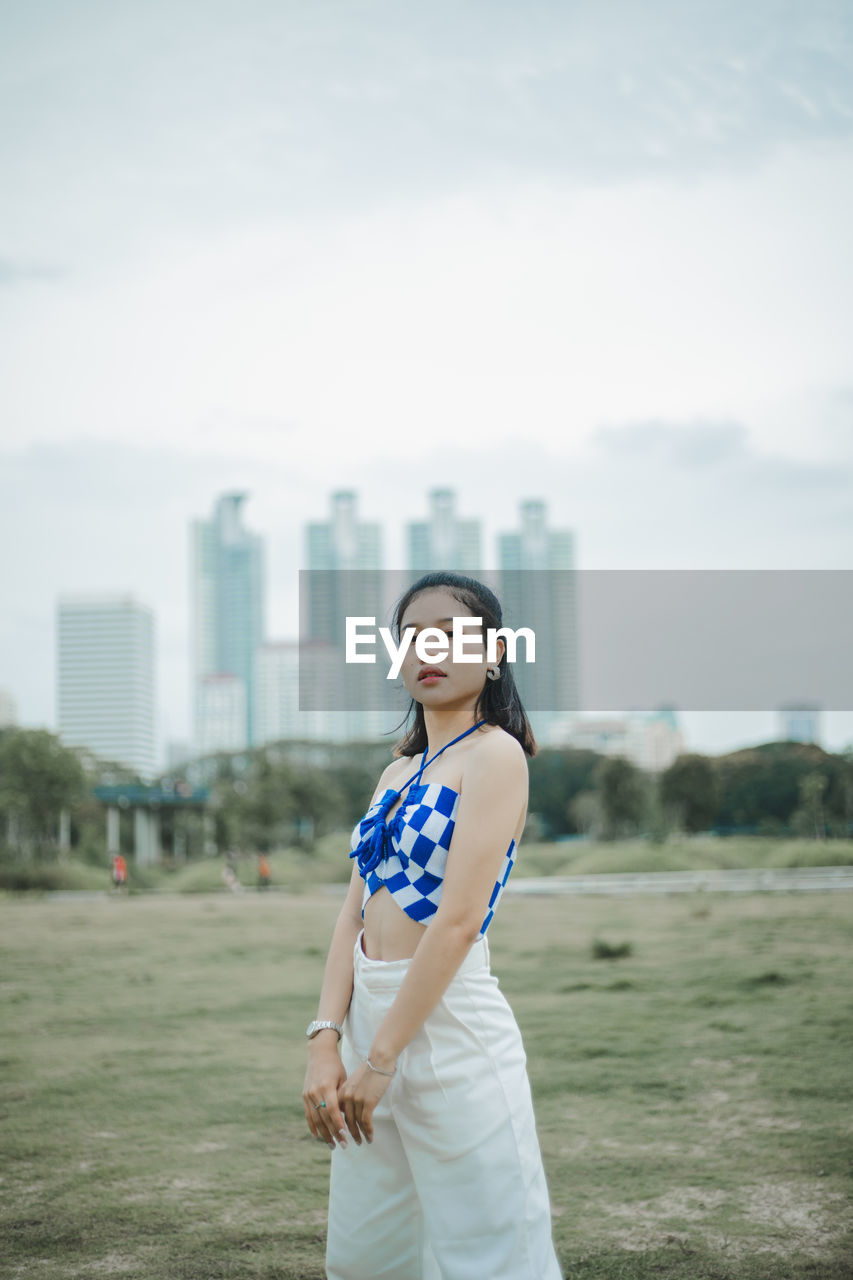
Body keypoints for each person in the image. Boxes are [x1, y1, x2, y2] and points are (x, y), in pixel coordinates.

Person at [302, 571, 563, 1280]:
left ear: (497, 652)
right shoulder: (395, 776)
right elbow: (350, 915)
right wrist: (326, 1043)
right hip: (366, 1026)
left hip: (448, 1027)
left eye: (451, 635)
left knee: (489, 1249)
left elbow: (455, 924)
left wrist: (380, 1062)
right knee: (367, 1253)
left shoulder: (495, 756)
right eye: (413, 637)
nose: (429, 650)